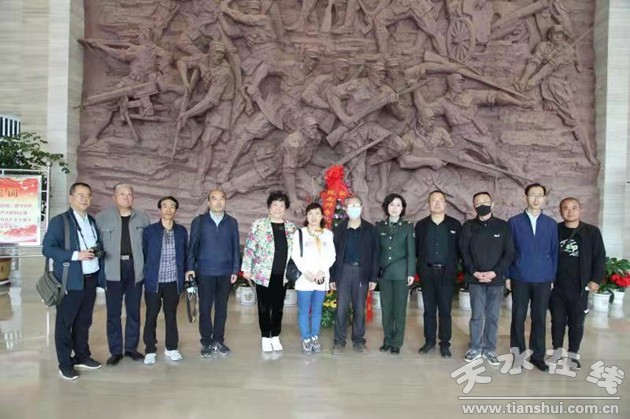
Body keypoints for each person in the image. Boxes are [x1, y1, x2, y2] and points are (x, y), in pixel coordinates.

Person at [43, 182, 105, 380]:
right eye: (80, 195)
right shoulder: (60, 221)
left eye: (88, 195)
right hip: (70, 281)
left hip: (90, 279)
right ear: (71, 198)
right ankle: (64, 363)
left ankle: (82, 356)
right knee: (65, 323)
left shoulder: (91, 221)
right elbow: (47, 249)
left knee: (84, 321)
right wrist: (76, 255)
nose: (85, 199)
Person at [96, 183, 151, 365]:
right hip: (112, 268)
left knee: (134, 311)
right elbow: (96, 245)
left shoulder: (142, 218)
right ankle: (115, 351)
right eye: (122, 194)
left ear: (133, 197)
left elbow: (147, 246)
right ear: (114, 197)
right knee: (113, 313)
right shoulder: (102, 218)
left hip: (135, 268)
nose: (126, 197)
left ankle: (131, 348)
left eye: (129, 194)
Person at [550, 197, 606, 370]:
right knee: (557, 321)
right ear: (560, 211)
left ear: (580, 209)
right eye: (565, 208)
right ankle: (557, 352)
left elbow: (600, 257)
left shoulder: (591, 232)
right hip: (557, 286)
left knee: (576, 323)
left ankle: (573, 355)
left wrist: (595, 280)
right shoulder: (555, 230)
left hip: (580, 287)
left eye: (574, 207)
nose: (570, 211)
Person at [507, 183, 558, 372]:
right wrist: (508, 275)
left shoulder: (551, 224)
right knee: (518, 317)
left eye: (539, 195)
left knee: (539, 318)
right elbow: (509, 251)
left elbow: (554, 253)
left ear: (544, 198)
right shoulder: (514, 222)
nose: (536, 198)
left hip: (543, 278)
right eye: (532, 194)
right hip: (520, 276)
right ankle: (518, 356)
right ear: (526, 197)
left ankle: (538, 356)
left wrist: (552, 277)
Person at [459, 192, 514, 366]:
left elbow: (509, 253)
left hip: (496, 280)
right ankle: (475, 347)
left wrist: (494, 273)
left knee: (493, 316)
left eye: (485, 202)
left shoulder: (503, 226)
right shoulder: (468, 226)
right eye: (478, 203)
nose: (482, 205)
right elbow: (464, 252)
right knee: (476, 315)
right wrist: (474, 272)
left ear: (492, 204)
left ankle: (490, 348)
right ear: (473, 206)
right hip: (475, 279)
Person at [186, 189, 240, 358]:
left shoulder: (232, 222)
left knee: (222, 309)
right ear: (208, 202)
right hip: (205, 272)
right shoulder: (199, 221)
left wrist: (235, 269)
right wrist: (190, 267)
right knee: (205, 308)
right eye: (214, 199)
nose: (218, 202)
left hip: (225, 272)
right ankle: (206, 341)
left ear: (225, 201)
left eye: (221, 198)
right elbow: (192, 247)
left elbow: (235, 248)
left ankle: (218, 340)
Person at [241, 191, 297, 352]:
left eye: (281, 205)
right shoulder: (259, 225)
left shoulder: (291, 228)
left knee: (279, 307)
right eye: (275, 205)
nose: (278, 208)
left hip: (282, 275)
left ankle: (275, 336)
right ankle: (266, 336)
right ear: (269, 208)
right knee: (264, 307)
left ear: (285, 208)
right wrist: (246, 269)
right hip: (262, 274)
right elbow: (250, 248)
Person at [330, 196, 379, 355]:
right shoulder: (339, 229)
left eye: (357, 205)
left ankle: (358, 341)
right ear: (345, 209)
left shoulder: (370, 229)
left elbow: (375, 254)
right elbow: (333, 254)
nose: (354, 209)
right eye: (350, 206)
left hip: (362, 272)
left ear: (362, 207)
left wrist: (373, 277)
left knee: (359, 308)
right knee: (341, 308)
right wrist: (332, 277)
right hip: (344, 271)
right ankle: (339, 341)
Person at [141, 196, 188, 365]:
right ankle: (150, 349)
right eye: (165, 206)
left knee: (171, 315)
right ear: (159, 210)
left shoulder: (181, 231)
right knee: (151, 315)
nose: (168, 209)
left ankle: (171, 347)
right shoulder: (150, 231)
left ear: (176, 210)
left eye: (172, 206)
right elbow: (144, 253)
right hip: (154, 281)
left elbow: (185, 254)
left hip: (173, 281)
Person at [415, 190, 461, 358]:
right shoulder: (421, 225)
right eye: (433, 200)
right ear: (428, 204)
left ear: (445, 203)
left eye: (440, 200)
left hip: (446, 274)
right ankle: (429, 342)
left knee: (445, 310)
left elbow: (459, 250)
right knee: (428, 310)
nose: (436, 203)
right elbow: (417, 249)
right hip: (427, 272)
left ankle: (445, 344)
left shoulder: (455, 225)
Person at [291, 202, 336, 354]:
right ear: (306, 216)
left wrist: (322, 271)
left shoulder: (328, 234)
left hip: (321, 279)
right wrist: (306, 272)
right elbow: (295, 255)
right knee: (304, 310)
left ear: (322, 216)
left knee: (317, 310)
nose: (314, 217)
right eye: (310, 213)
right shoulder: (300, 233)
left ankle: (314, 337)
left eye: (317, 213)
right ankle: (306, 339)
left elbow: (332, 255)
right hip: (305, 279)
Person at [375, 193, 415, 355]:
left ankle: (397, 342)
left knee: (399, 310)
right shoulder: (379, 226)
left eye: (398, 205)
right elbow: (377, 251)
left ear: (402, 208)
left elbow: (411, 252)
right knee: (386, 309)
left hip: (401, 273)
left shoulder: (407, 226)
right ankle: (387, 340)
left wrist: (411, 272)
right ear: (386, 207)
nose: (395, 208)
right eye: (391, 204)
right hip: (384, 273)